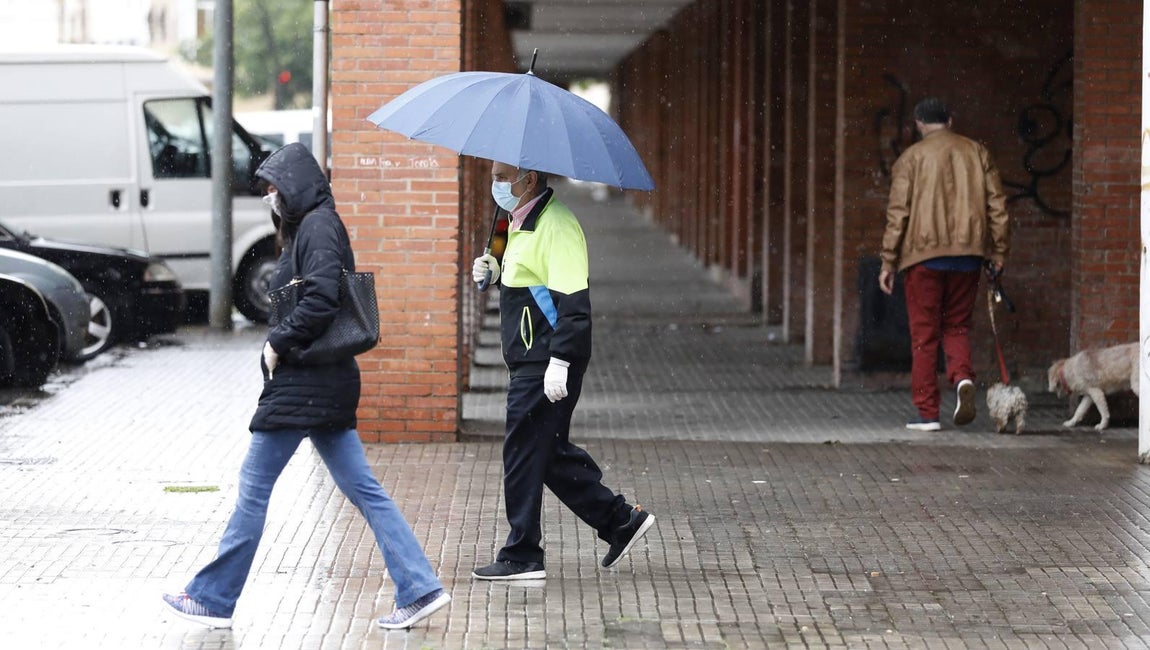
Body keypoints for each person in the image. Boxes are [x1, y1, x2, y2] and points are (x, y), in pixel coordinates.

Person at [161, 143, 449, 630]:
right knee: (365, 489)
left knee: (253, 488)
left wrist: (278, 341)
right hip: (326, 381)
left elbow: (320, 299)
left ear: (294, 185)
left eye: (273, 187)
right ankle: (419, 588)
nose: (269, 197)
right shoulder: (313, 226)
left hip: (305, 383)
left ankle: (213, 598)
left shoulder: (317, 226)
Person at [469, 161, 656, 581]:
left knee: (522, 451)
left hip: (547, 358)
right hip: (529, 355)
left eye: (502, 178)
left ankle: (522, 555)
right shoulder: (514, 220)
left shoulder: (558, 225)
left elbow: (574, 306)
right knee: (545, 451)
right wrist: (493, 270)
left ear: (529, 180)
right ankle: (620, 521)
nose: (496, 185)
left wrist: (560, 361)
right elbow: (519, 270)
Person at [878, 97, 1011, 432]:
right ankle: (963, 378)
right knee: (957, 327)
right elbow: (998, 205)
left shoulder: (911, 158)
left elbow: (898, 215)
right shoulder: (977, 152)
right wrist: (997, 253)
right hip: (968, 257)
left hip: (923, 258)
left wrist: (888, 262)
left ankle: (927, 413)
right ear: (950, 120)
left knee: (924, 335)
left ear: (920, 123)